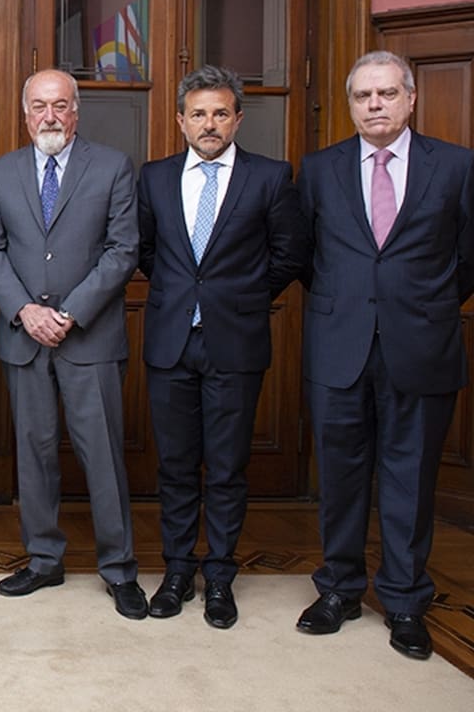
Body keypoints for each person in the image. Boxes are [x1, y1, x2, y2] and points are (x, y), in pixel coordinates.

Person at [295, 50, 474, 660]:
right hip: (338, 347)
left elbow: (467, 259)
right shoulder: (318, 169)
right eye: (364, 96)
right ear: (351, 104)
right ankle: (339, 591)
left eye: (387, 94)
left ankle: (403, 601)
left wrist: (418, 305)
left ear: (410, 98)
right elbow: (304, 256)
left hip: (421, 347)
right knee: (340, 479)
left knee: (409, 481)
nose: (375, 104)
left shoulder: (455, 167)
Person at [137, 65, 307, 628]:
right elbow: (146, 251)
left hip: (236, 343)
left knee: (229, 468)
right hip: (170, 342)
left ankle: (221, 578)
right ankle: (179, 569)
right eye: (198, 113)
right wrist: (182, 297)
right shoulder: (155, 177)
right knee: (177, 466)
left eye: (220, 113)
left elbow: (289, 255)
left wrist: (240, 298)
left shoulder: (270, 177)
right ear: (180, 120)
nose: (209, 124)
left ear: (237, 118)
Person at [0, 68, 147, 619]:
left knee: (102, 457)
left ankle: (119, 569)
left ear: (77, 111)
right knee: (35, 453)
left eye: (60, 105)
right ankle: (44, 560)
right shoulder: (1, 173)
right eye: (39, 106)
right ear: (25, 113)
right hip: (25, 337)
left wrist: (68, 313)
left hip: (89, 337)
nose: (50, 116)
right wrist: (26, 311)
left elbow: (123, 251)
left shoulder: (114, 166)